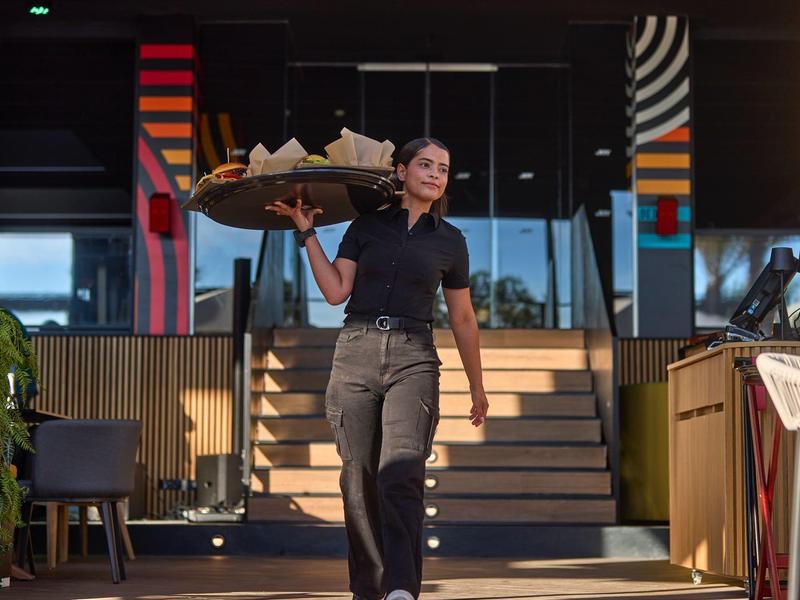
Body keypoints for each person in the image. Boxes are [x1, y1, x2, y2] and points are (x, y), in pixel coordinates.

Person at [265, 137, 489, 600]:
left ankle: (402, 588)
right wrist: (306, 232)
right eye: (425, 165)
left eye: (443, 169)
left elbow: (463, 318)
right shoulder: (364, 227)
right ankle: (368, 590)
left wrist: (477, 385)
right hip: (355, 353)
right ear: (402, 172)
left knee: (401, 471)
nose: (434, 174)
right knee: (357, 477)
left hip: (415, 356)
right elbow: (335, 291)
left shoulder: (451, 241)